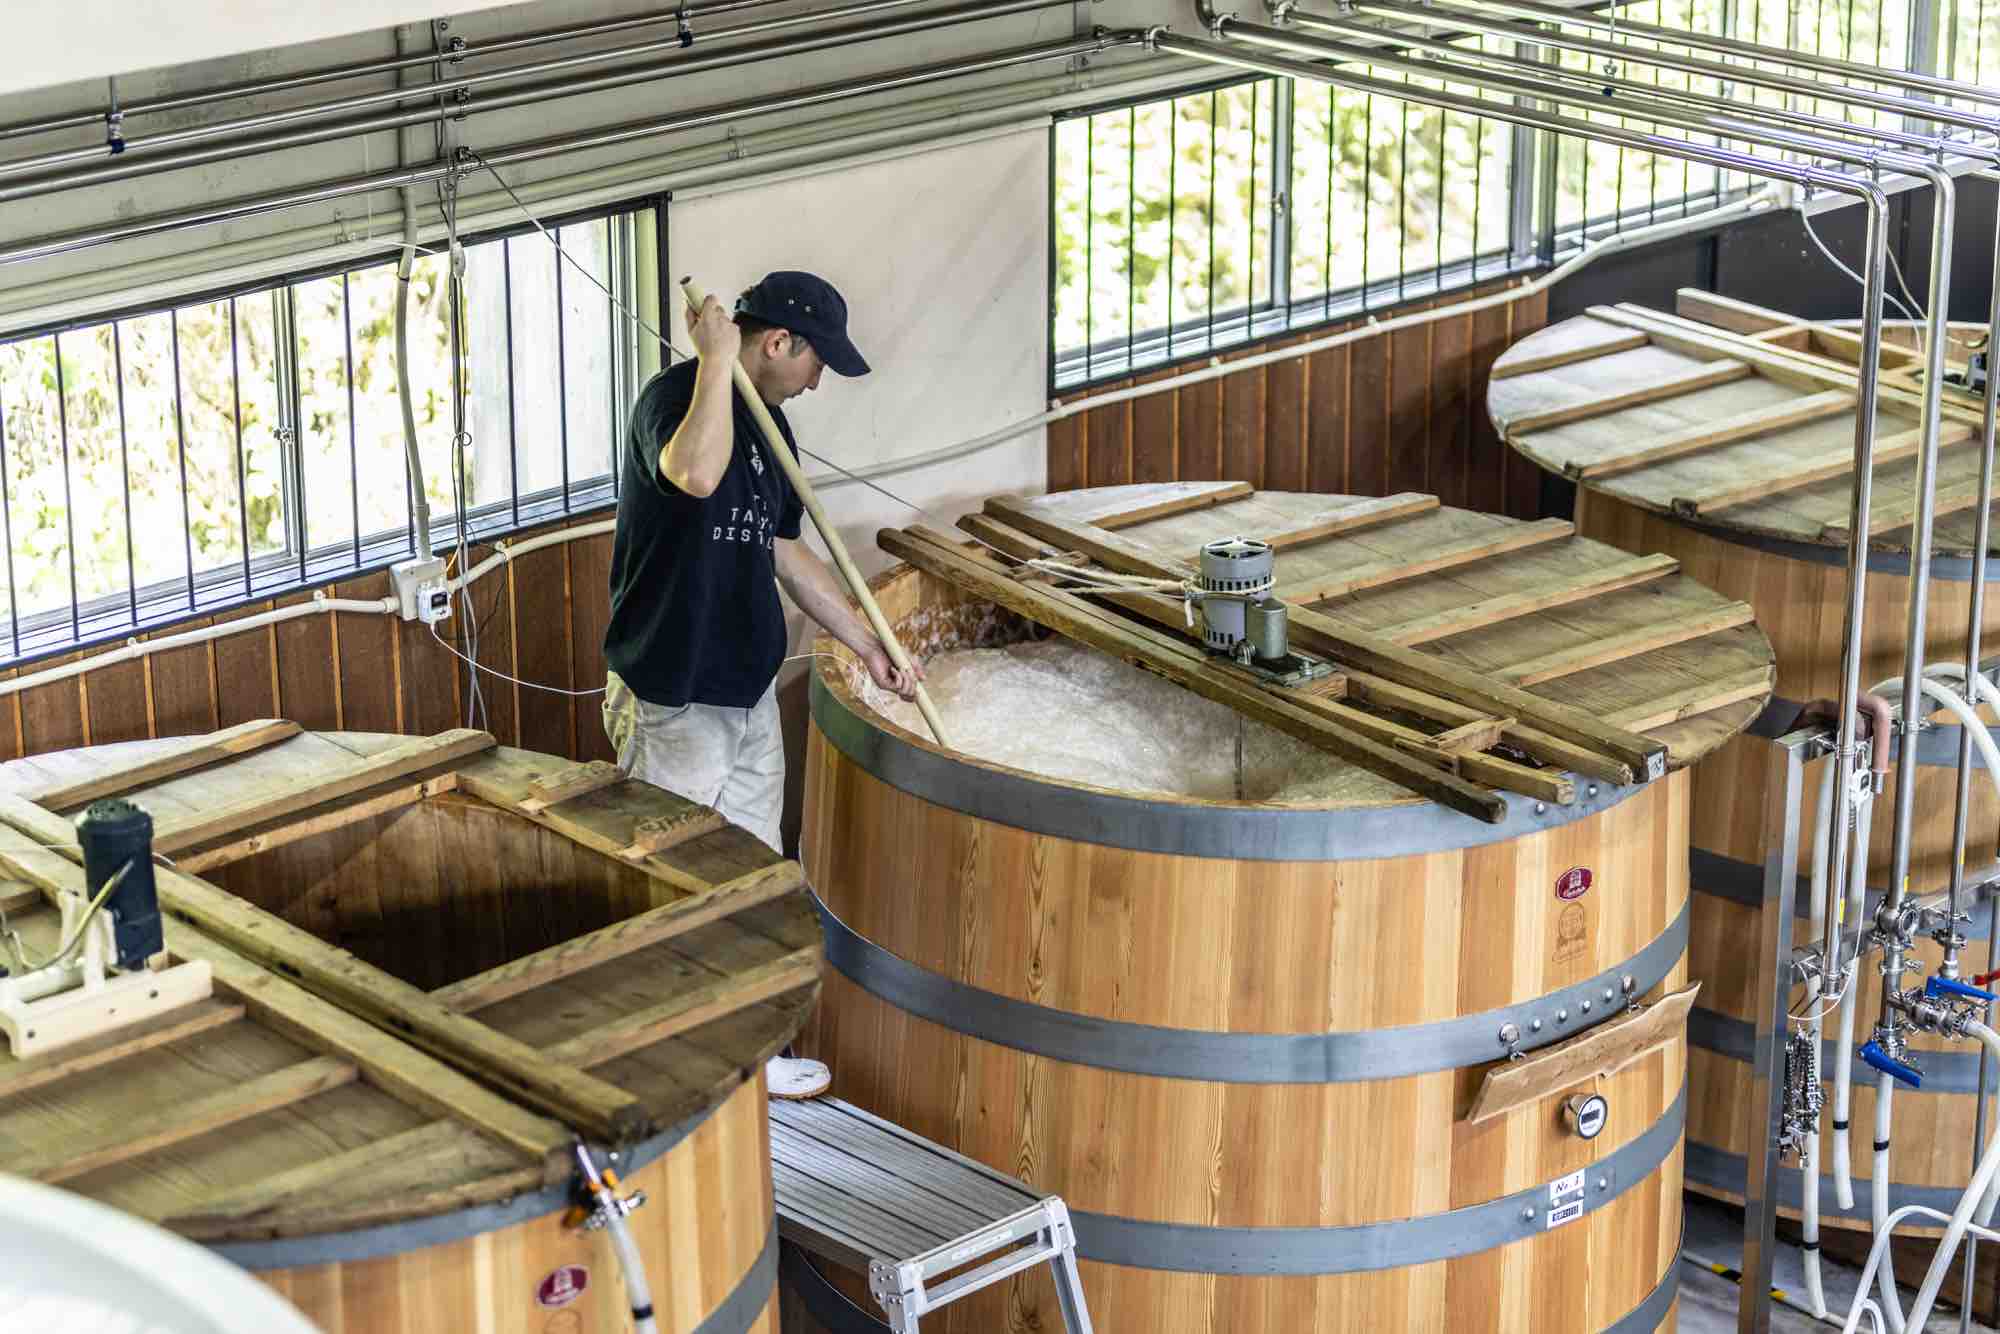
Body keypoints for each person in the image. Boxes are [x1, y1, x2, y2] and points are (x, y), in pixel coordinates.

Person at [600, 270, 922, 858]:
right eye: (818, 363)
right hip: (675, 698)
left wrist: (867, 643)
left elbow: (786, 550)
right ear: (777, 344)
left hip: (750, 694)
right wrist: (717, 361)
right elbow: (695, 475)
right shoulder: (670, 400)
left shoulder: (771, 424)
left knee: (756, 875)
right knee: (670, 883)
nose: (817, 383)